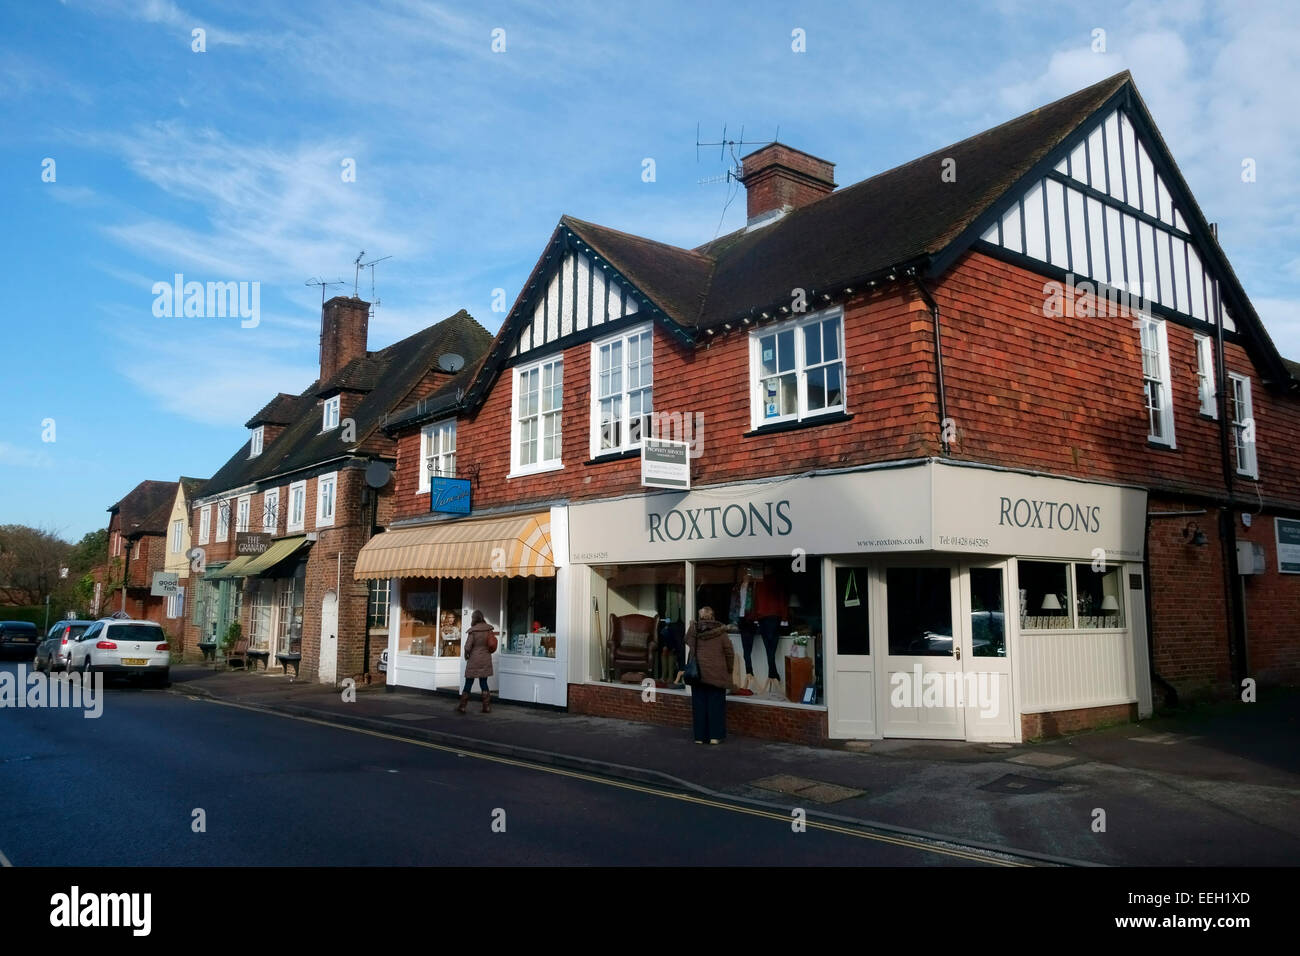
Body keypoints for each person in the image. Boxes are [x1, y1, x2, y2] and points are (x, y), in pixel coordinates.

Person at [684, 606, 734, 744]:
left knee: (699, 706)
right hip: (716, 674)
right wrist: (729, 669)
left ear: (700, 618)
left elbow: (687, 640)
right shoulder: (721, 633)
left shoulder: (694, 631)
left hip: (697, 674)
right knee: (715, 706)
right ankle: (715, 736)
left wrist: (692, 625)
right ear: (713, 617)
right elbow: (729, 652)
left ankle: (700, 737)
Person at [459, 610, 496, 714]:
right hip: (485, 659)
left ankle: (462, 706)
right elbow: (491, 643)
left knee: (469, 682)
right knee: (483, 682)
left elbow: (467, 647)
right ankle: (486, 707)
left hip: (474, 660)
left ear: (474, 618)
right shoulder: (489, 629)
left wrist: (466, 654)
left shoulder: (473, 631)